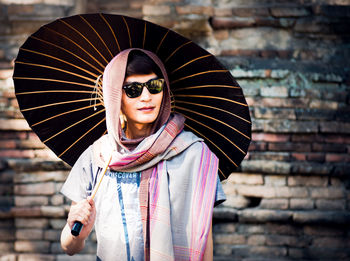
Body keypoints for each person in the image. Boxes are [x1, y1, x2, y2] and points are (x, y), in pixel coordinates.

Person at [60, 48, 226, 261]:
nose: (147, 97)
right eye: (133, 90)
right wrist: (77, 233)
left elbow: (204, 244)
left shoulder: (193, 153)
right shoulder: (99, 156)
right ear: (114, 97)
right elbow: (69, 246)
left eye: (155, 86)